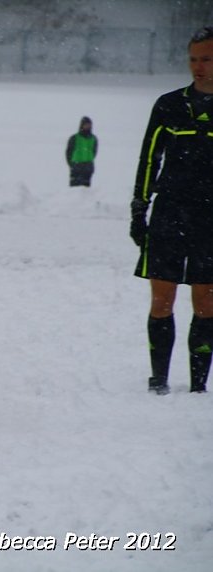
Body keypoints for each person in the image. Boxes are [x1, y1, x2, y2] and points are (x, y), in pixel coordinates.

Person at [130, 27, 213, 395]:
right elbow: (149, 158)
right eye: (194, 59)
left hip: (209, 219)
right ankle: (158, 380)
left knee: (206, 301)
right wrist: (139, 208)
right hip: (169, 214)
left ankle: (198, 385)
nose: (198, 66)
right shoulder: (169, 105)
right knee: (162, 299)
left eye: (207, 59)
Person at [65, 116, 97, 187]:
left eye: (89, 125)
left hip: (88, 167)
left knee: (86, 192)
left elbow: (94, 152)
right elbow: (68, 152)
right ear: (81, 125)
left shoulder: (93, 139)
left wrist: (88, 162)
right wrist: (72, 164)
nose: (88, 127)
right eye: (86, 125)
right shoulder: (74, 138)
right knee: (74, 190)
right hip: (76, 167)